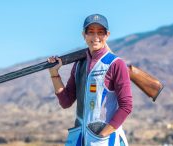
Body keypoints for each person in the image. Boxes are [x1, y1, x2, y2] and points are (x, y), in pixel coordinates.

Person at [48, 14, 132, 146]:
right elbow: (66, 102)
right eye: (91, 32)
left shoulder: (116, 64)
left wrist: (101, 135)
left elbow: (126, 106)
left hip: (105, 140)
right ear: (84, 35)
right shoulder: (79, 65)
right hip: (80, 139)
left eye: (100, 32)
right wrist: (54, 74)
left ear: (107, 35)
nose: (95, 37)